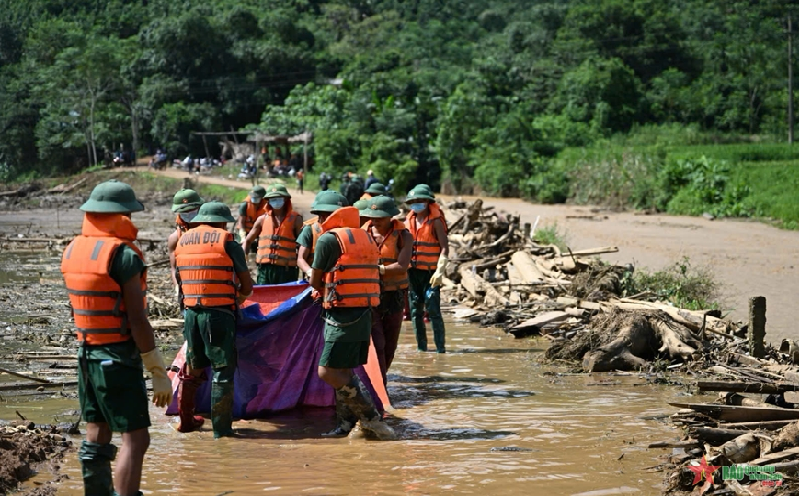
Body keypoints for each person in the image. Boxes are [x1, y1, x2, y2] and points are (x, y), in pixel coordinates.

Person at [60, 180, 173, 496]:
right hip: (117, 357)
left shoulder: (72, 250)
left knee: (97, 429)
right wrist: (157, 370)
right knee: (136, 438)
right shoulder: (122, 256)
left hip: (86, 354)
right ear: (122, 215)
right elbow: (138, 320)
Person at [308, 205, 396, 440]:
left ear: (328, 217)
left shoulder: (329, 240)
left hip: (341, 315)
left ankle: (372, 419)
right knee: (343, 370)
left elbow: (315, 281)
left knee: (327, 371)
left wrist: (318, 284)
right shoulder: (364, 237)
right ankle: (346, 424)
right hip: (363, 312)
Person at [174, 202, 254, 438]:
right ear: (221, 221)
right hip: (218, 315)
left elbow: (181, 281)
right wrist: (235, 299)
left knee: (193, 369)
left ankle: (186, 421)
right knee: (222, 370)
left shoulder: (183, 240)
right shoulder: (227, 241)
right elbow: (247, 286)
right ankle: (222, 432)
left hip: (191, 314)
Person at [360, 197, 412, 384]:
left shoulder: (404, 236)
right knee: (377, 342)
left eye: (380, 217)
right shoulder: (361, 234)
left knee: (390, 344)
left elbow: (402, 265)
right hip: (369, 294)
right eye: (372, 217)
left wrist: (378, 270)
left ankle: (381, 380)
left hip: (394, 295)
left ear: (391, 216)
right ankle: (379, 385)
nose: (375, 221)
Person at [405, 184, 449, 353]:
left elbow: (445, 247)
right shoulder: (409, 221)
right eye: (413, 201)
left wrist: (440, 270)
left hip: (431, 274)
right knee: (415, 311)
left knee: (433, 311)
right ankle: (421, 349)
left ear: (428, 202)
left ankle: (441, 350)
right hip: (413, 272)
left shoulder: (435, 221)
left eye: (420, 200)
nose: (416, 204)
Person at [243, 184, 303, 284]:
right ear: (268, 201)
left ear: (286, 199)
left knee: (287, 298)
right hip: (264, 270)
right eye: (272, 198)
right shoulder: (261, 219)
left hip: (287, 270)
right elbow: (248, 241)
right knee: (264, 297)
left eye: (279, 198)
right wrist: (243, 260)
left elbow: (303, 245)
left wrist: (305, 266)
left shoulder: (296, 219)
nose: (276, 201)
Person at [297, 191, 347, 280]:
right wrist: (310, 272)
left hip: (340, 281)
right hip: (316, 282)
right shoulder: (310, 230)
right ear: (321, 214)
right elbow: (301, 259)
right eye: (330, 214)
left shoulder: (347, 232)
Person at [167, 189, 204, 287]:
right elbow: (174, 268)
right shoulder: (175, 238)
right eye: (184, 211)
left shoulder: (214, 229)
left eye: (191, 210)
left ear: (200, 207)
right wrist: (178, 289)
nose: (188, 214)